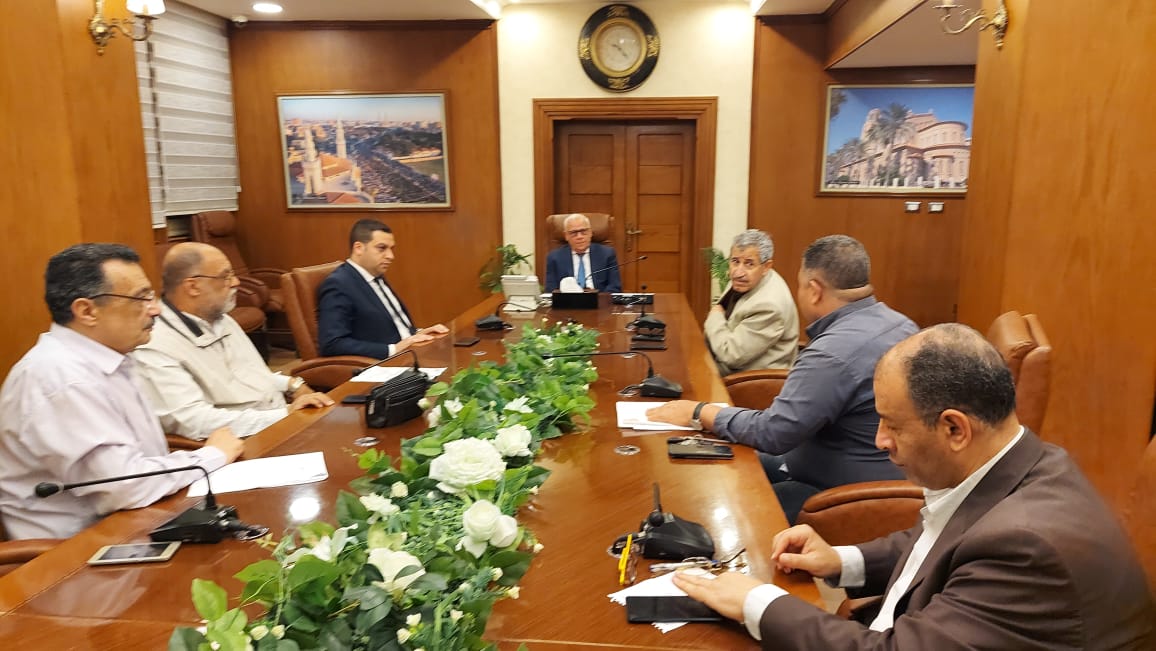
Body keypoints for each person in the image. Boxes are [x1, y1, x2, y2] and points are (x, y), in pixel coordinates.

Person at [674, 323, 1156, 650]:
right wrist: (841, 560)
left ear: (954, 429)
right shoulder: (1023, 462)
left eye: (891, 424)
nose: (880, 440)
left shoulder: (1026, 549)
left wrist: (755, 603)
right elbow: (939, 540)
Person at [647, 235, 916, 522]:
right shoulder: (902, 324)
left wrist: (698, 411)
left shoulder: (831, 352)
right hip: (876, 477)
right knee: (726, 459)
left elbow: (773, 433)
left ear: (814, 290)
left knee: (727, 510)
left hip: (842, 495)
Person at [0, 244, 244, 540]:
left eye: (151, 296)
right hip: (79, 550)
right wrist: (212, 455)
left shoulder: (110, 357)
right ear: (87, 311)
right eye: (140, 298)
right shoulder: (60, 379)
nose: (155, 309)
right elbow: (126, 487)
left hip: (139, 520)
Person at [133, 243, 334, 442]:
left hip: (279, 423)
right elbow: (195, 421)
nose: (236, 282)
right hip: (244, 442)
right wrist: (285, 415)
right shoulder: (154, 344)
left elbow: (247, 376)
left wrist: (293, 385)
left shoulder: (220, 319)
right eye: (225, 277)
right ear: (193, 286)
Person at [317, 219, 448, 359]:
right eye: (382, 248)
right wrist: (393, 349)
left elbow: (390, 326)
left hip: (410, 353)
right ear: (358, 248)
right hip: (384, 363)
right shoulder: (338, 284)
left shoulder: (375, 275)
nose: (390, 256)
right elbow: (332, 343)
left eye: (391, 249)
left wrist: (418, 333)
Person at [705, 229, 799, 375]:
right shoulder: (749, 279)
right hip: (726, 362)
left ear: (766, 267)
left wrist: (715, 316)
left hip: (747, 378)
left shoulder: (769, 306)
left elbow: (730, 354)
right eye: (735, 261)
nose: (738, 272)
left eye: (749, 264)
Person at [544, 213, 622, 292]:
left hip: (598, 298)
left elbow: (614, 287)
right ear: (566, 235)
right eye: (574, 233)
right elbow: (551, 289)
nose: (579, 237)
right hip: (568, 299)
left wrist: (599, 298)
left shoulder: (607, 254)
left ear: (590, 232)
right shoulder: (554, 257)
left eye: (583, 231)